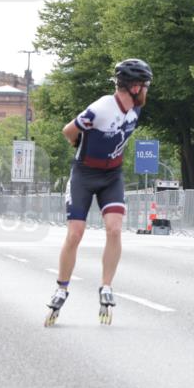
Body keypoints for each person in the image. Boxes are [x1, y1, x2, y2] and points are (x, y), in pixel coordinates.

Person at [44, 59, 152, 327]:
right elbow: (68, 131)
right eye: (145, 86)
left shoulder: (136, 110)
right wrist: (77, 142)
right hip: (84, 174)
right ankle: (62, 287)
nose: (147, 91)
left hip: (112, 176)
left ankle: (106, 286)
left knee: (114, 229)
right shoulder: (101, 108)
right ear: (135, 87)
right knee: (75, 233)